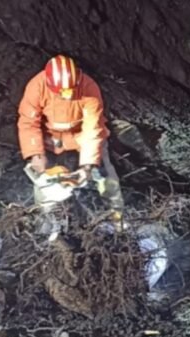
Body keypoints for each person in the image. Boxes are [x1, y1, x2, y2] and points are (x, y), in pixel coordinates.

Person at [17, 55, 124, 224]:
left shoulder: (89, 88)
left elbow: (92, 129)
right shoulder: (37, 86)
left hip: (80, 135)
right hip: (51, 137)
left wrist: (87, 166)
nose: (66, 96)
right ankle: (46, 218)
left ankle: (116, 215)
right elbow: (28, 123)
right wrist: (36, 154)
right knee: (44, 180)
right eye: (61, 92)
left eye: (69, 91)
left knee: (105, 174)